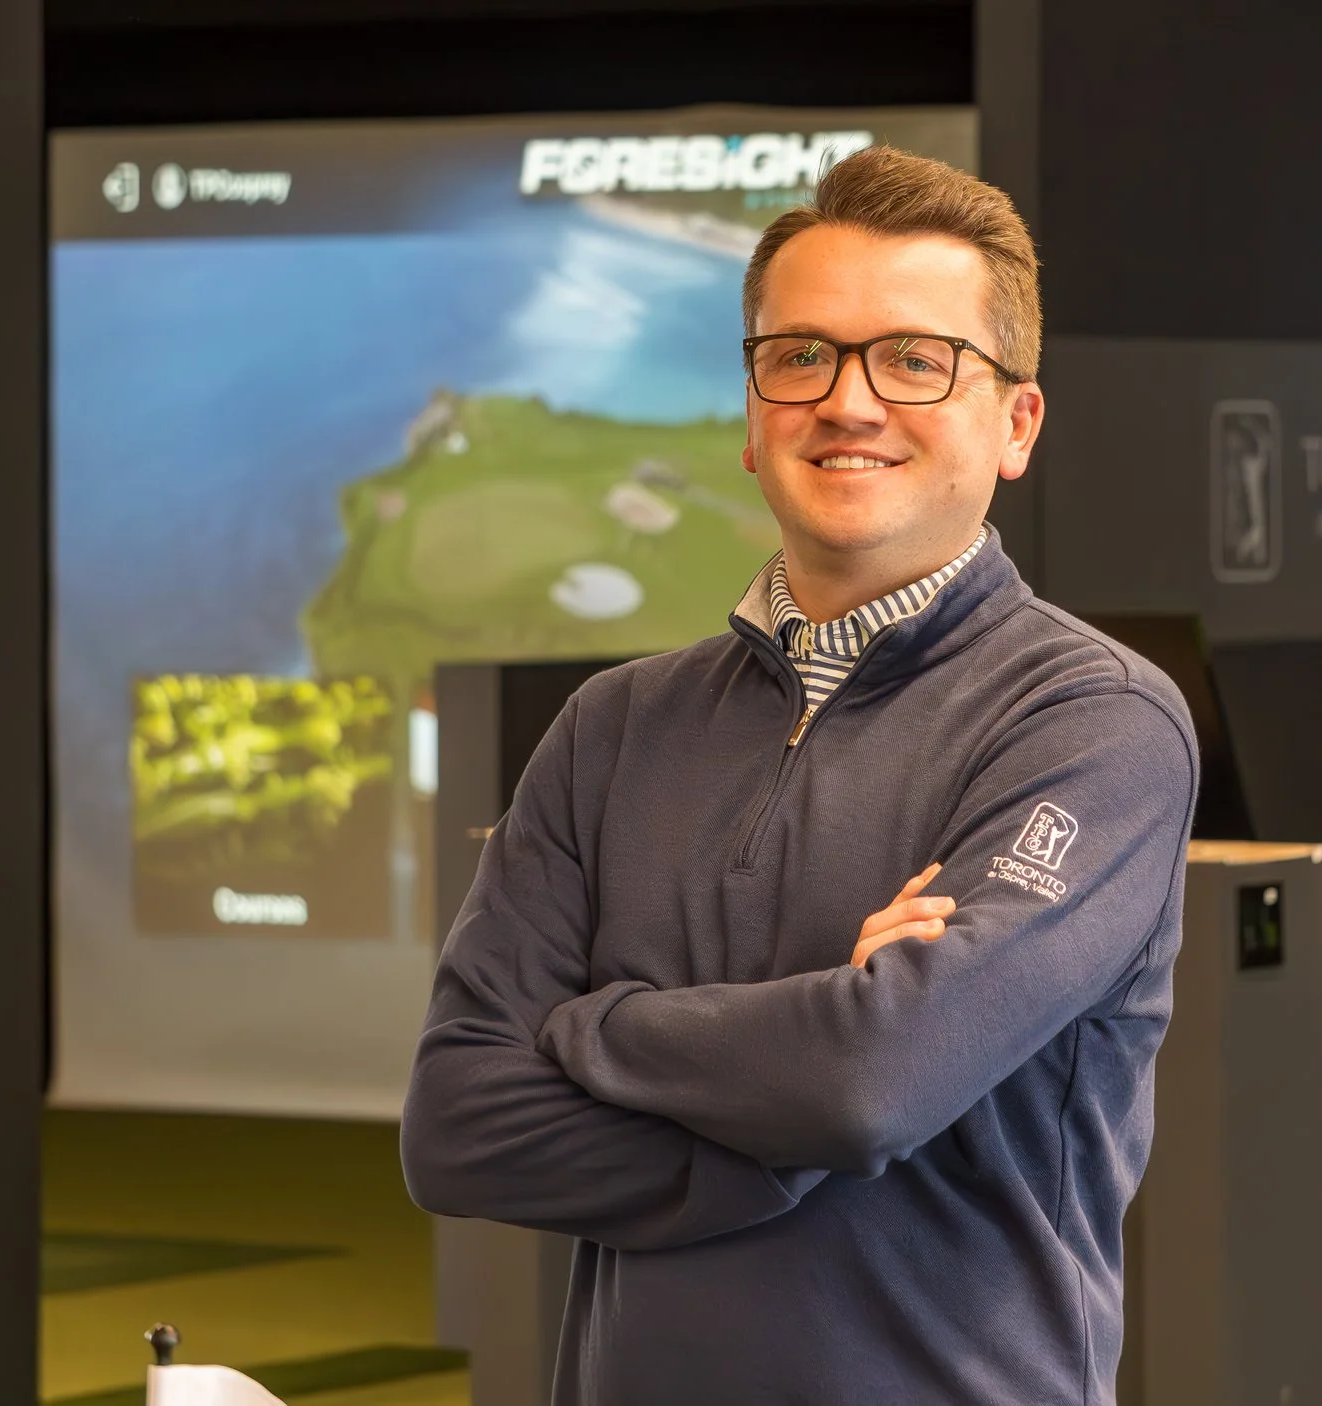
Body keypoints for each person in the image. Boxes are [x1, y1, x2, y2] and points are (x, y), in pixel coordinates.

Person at [403, 146, 1198, 1405]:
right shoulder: (613, 726)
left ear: (1016, 423)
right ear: (751, 410)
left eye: (915, 359)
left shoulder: (1091, 721)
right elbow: (456, 1124)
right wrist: (796, 1111)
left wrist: (596, 1024)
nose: (847, 401)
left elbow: (870, 1081)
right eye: (801, 355)